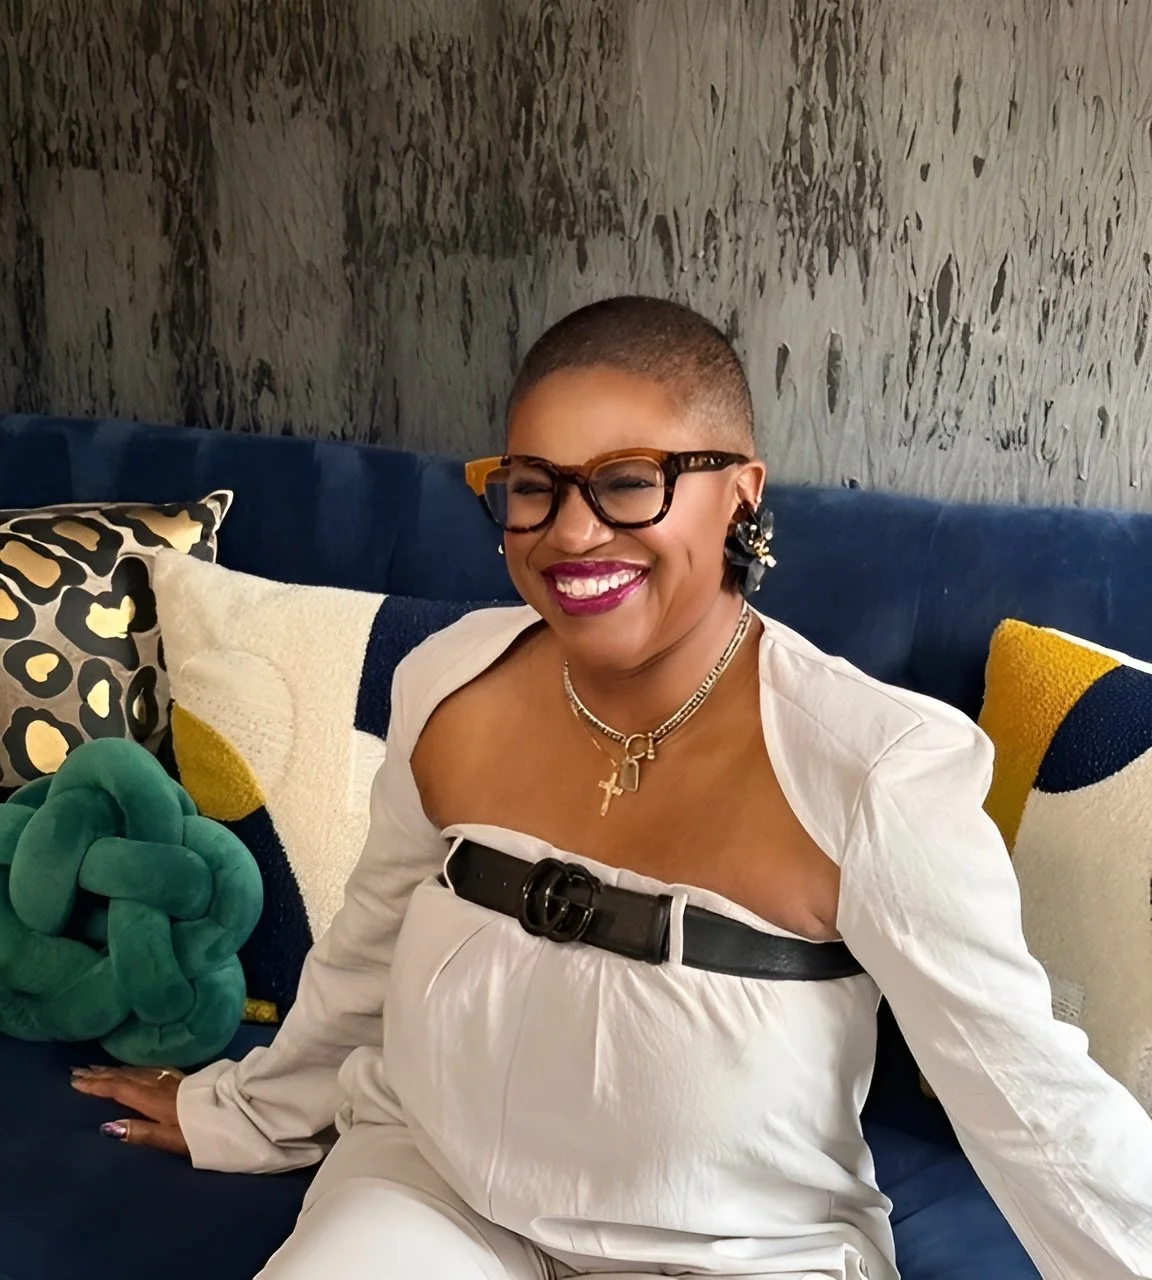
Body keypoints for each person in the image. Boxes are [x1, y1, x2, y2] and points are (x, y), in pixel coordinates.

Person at [74, 297, 1152, 1280]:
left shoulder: (876, 765)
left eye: (630, 480)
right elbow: (370, 941)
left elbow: (1030, 1100)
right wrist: (251, 1111)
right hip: (432, 1186)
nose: (572, 532)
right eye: (532, 487)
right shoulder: (449, 680)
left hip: (735, 1248)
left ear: (741, 492)